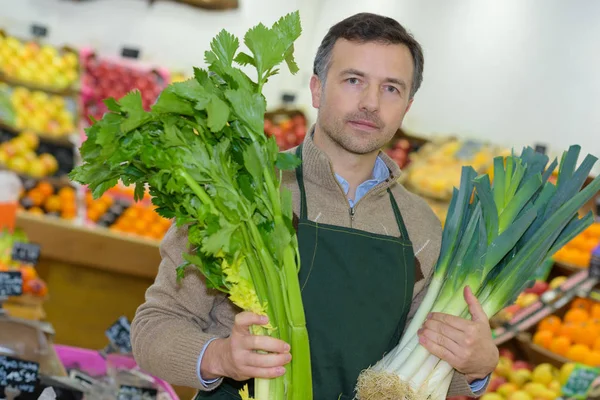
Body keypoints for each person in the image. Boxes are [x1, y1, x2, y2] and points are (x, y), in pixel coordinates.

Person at [130, 12, 499, 399]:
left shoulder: (421, 225)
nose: (371, 103)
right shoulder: (241, 192)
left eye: (391, 88)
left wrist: (476, 368)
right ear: (317, 89)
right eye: (354, 80)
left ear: (407, 106)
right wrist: (219, 356)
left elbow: (424, 373)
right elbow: (155, 326)